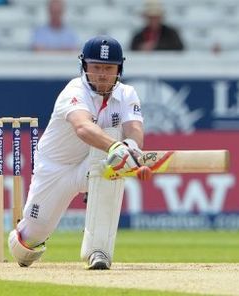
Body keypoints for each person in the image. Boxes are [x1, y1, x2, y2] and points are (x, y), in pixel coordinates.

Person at [8, 35, 144, 270]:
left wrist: (131, 148)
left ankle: (98, 251)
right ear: (84, 67)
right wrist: (116, 147)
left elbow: (134, 129)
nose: (102, 74)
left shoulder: (127, 93)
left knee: (115, 158)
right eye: (96, 67)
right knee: (29, 240)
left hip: (94, 164)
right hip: (56, 167)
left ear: (119, 69)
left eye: (108, 68)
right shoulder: (73, 91)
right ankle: (26, 237)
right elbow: (83, 127)